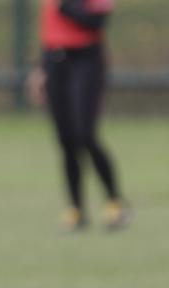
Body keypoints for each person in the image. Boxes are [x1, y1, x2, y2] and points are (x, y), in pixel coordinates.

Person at [28, 0, 132, 232]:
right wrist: (38, 68)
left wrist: (66, 6)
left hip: (85, 60)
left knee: (85, 134)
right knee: (65, 138)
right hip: (54, 60)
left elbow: (96, 22)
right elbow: (47, 26)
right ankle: (76, 210)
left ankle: (115, 201)